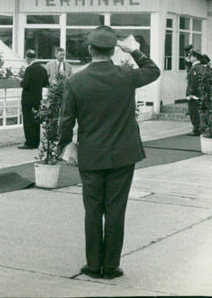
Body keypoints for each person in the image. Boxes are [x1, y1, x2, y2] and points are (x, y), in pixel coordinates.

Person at [58, 25, 160, 280]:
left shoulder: (75, 80)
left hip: (91, 155)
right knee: (116, 210)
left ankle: (93, 265)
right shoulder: (125, 75)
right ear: (114, 51)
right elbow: (153, 71)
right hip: (123, 155)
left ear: (90, 49)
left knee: (93, 211)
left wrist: (66, 146)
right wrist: (135, 50)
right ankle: (111, 266)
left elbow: (66, 120)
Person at [18, 49, 48, 149]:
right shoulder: (42, 69)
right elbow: (45, 83)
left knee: (28, 120)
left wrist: (20, 81)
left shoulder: (29, 69)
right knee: (36, 120)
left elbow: (25, 84)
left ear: (28, 57)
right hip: (38, 98)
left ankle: (29, 142)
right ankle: (36, 142)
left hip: (27, 99)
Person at [185, 50, 204, 136]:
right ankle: (198, 127)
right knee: (196, 111)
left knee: (194, 111)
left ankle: (196, 129)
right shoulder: (200, 67)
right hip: (199, 93)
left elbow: (193, 81)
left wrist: (191, 93)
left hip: (194, 94)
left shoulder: (195, 68)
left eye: (191, 56)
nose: (190, 58)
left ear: (195, 57)